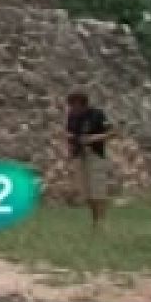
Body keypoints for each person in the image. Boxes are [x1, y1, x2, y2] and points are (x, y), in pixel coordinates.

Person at [65, 91, 115, 231]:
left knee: (97, 189)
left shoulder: (97, 114)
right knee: (86, 191)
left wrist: (94, 138)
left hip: (95, 154)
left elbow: (113, 132)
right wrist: (70, 143)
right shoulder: (72, 116)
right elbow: (69, 133)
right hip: (79, 154)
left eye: (75, 105)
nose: (73, 108)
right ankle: (95, 221)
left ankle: (102, 222)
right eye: (71, 105)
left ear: (82, 103)